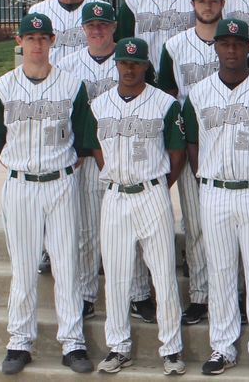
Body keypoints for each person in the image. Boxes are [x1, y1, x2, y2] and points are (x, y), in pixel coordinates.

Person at [0, 12, 93, 374]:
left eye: (43, 38)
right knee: (24, 267)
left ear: (52, 41)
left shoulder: (71, 86)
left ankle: (73, 343)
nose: (37, 44)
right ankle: (19, 342)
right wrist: (23, 165)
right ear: (20, 41)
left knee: (67, 265)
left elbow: (83, 140)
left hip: (61, 183)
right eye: (30, 38)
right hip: (20, 185)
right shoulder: (2, 87)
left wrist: (58, 165)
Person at [181, 18, 249, 376]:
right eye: (224, 43)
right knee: (221, 271)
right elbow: (192, 142)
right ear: (215, 47)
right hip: (215, 191)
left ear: (248, 47)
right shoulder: (199, 93)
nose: (231, 49)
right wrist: (204, 174)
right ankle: (222, 347)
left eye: (237, 43)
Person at [155, 0, 249, 325]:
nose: (207, 5)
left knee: (238, 231)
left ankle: (241, 294)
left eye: (213, 0)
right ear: (192, 4)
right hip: (194, 141)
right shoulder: (174, 46)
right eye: (201, 0)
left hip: (232, 143)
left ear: (222, 3)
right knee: (197, 224)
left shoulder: (243, 45)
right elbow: (166, 95)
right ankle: (201, 294)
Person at [84, 37, 187, 376]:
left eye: (136, 63)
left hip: (152, 193)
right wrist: (115, 173)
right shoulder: (99, 105)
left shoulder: (165, 104)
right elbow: (95, 148)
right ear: (116, 64)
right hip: (115, 195)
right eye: (124, 62)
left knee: (163, 274)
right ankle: (118, 347)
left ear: (145, 66)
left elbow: (177, 154)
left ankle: (171, 349)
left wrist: (158, 186)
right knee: (116, 276)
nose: (129, 68)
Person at [58, 2, 153, 322]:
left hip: (125, 154)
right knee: (87, 229)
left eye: (103, 24)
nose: (97, 30)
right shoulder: (68, 65)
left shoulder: (129, 59)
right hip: (87, 157)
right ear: (83, 29)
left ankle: (139, 294)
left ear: (114, 27)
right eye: (91, 25)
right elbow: (64, 113)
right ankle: (86, 294)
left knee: (133, 228)